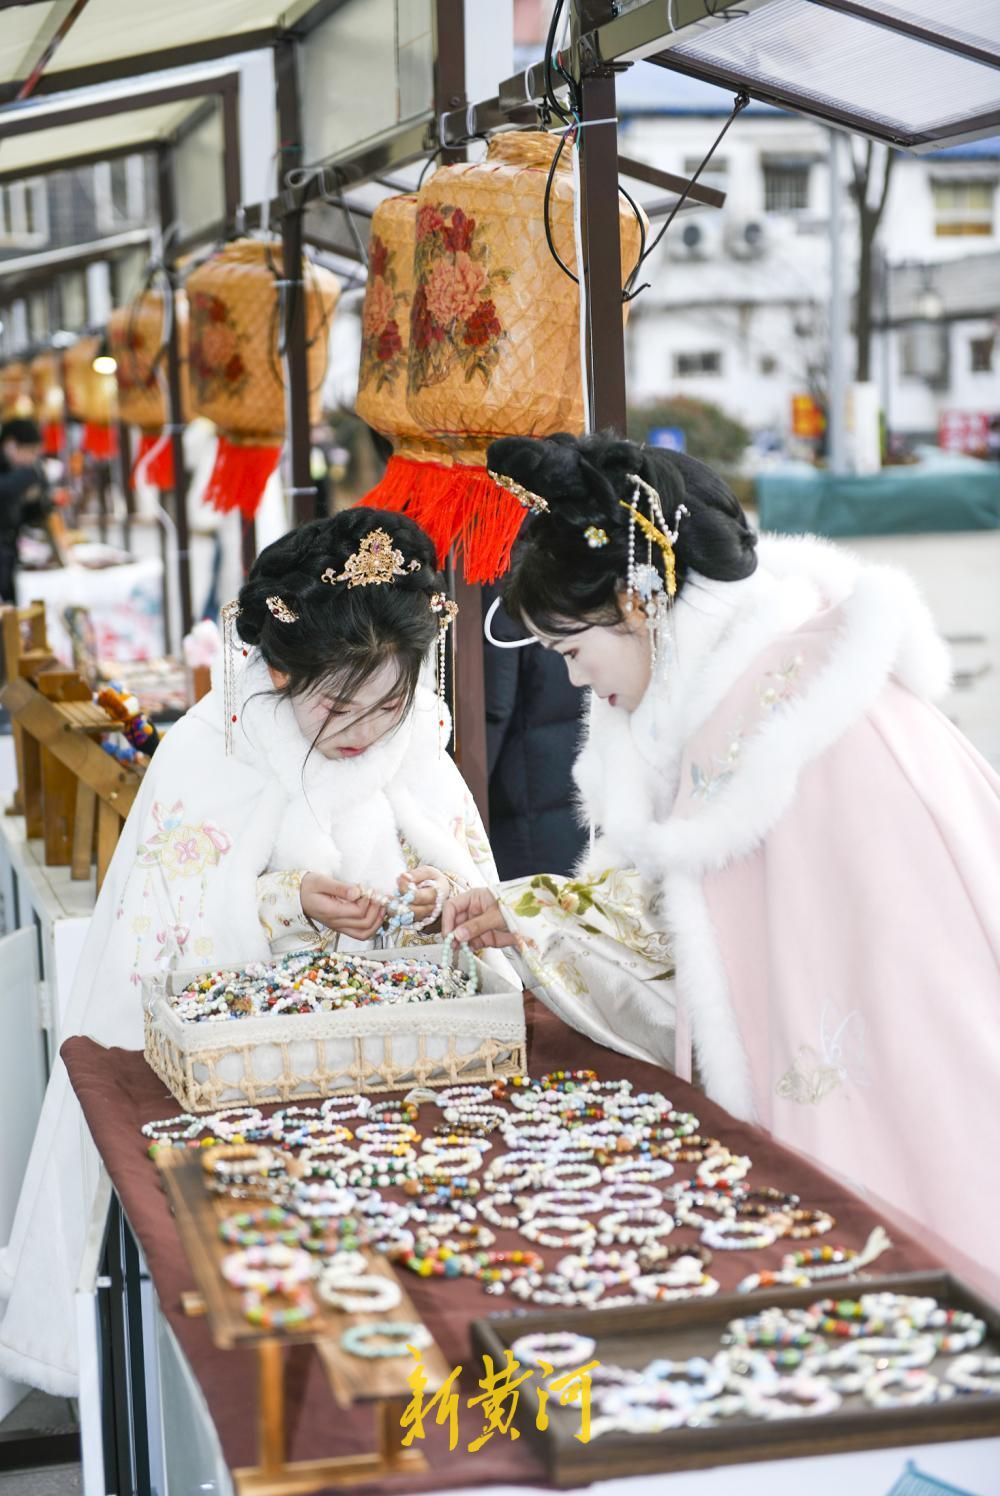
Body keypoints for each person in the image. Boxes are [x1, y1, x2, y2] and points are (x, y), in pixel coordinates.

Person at [444, 430, 1000, 1296]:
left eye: (570, 651)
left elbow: (889, 989)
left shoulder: (790, 729)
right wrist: (541, 916)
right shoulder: (752, 705)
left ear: (636, 605)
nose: (580, 683)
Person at [0, 509, 509, 1395]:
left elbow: (456, 865)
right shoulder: (215, 744)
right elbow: (172, 916)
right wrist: (283, 901)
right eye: (337, 704)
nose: (364, 728)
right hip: (252, 1074)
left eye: (388, 703)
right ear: (276, 670)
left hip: (405, 1059)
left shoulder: (416, 733)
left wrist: (434, 898)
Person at [0, 417, 65, 603]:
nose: (33, 458)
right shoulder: (22, 475)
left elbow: (29, 516)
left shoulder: (19, 472)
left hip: (9, 556)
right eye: (30, 451)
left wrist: (43, 501)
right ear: (11, 445)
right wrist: (34, 475)